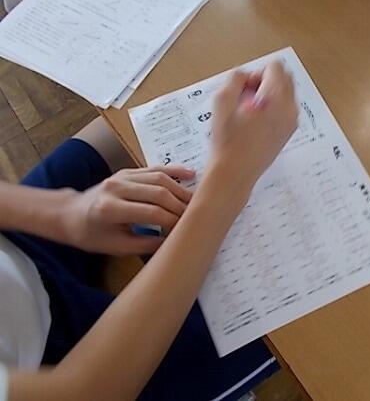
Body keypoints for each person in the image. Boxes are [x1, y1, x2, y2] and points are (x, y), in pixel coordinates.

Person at [0, 62, 299, 401]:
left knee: (143, 114)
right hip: (61, 369)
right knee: (291, 316)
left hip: (17, 243)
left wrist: (64, 212)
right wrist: (231, 179)